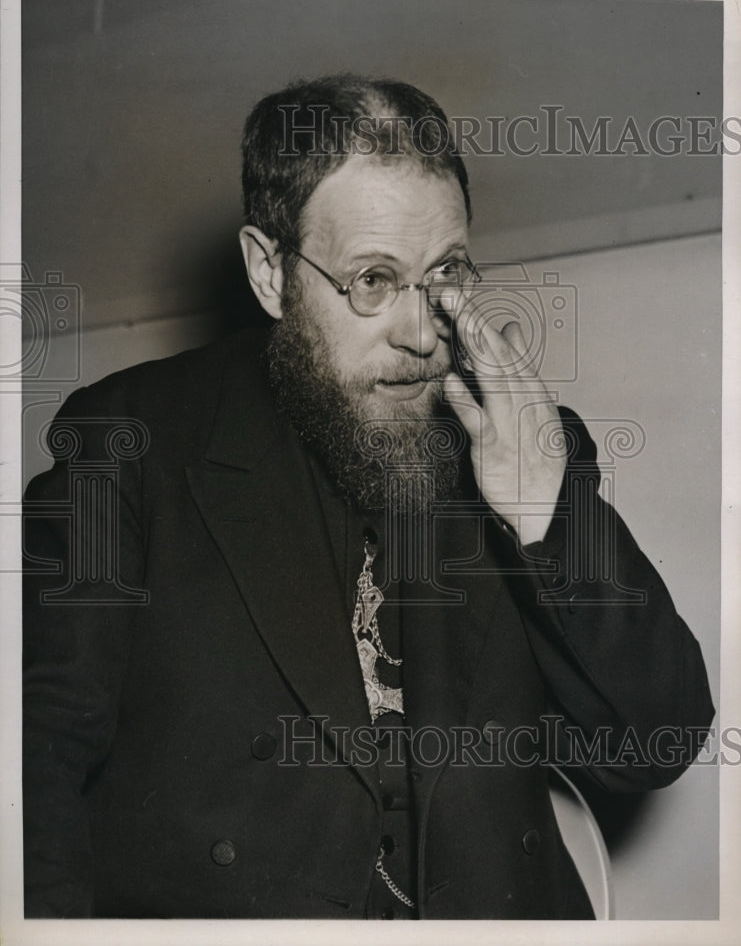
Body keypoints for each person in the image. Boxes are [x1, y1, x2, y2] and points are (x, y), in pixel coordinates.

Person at [23, 73, 714, 920]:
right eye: (373, 281)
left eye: (446, 272)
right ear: (270, 272)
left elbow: (656, 741)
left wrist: (546, 516)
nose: (423, 334)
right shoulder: (123, 443)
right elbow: (33, 760)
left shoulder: (514, 433)